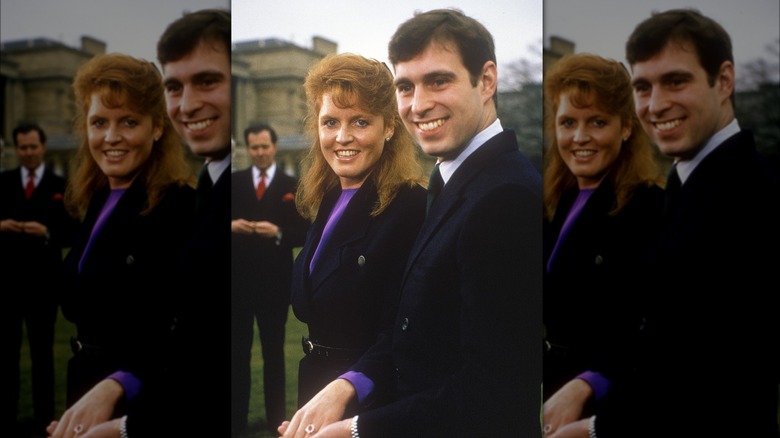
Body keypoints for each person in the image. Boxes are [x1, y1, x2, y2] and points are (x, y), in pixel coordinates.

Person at [280, 9, 542, 437]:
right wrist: (342, 389)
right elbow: (416, 335)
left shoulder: (504, 197)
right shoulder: (450, 182)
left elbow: (496, 392)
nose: (419, 104)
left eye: (439, 80)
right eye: (406, 86)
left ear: (487, 80)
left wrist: (358, 426)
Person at [547, 9, 780, 438]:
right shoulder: (688, 182)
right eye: (643, 87)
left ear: (724, 81)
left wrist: (597, 427)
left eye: (676, 81)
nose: (655, 105)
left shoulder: (751, 196)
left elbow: (724, 373)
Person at [46, 9, 232, 438]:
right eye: (99, 123)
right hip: (85, 386)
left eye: (128, 122)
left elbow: (180, 328)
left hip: (144, 394)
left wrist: (122, 387)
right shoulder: (93, 201)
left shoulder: (180, 205)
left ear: (156, 130)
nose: (111, 137)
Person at [291, 53, 426, 411]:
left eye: (360, 121)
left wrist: (348, 388)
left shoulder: (412, 206)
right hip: (315, 387)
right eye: (330, 122)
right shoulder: (329, 196)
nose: (342, 137)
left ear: (390, 127)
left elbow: (407, 330)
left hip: (369, 399)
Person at [540, 53, 664, 430]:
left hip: (612, 404)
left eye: (597, 122)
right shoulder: (550, 204)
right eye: (568, 123)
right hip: (552, 396)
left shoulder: (651, 208)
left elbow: (655, 330)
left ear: (626, 127)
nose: (579, 137)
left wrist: (590, 383)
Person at [231, 122, 308, 435]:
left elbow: (305, 232)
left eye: (265, 147)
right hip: (237, 284)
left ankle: (277, 421)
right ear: (247, 149)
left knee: (273, 353)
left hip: (275, 284)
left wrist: (277, 233)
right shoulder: (234, 183)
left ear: (274, 147)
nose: (260, 153)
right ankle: (236, 421)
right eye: (254, 148)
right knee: (237, 354)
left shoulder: (292, 184)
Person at [1, 123, 75, 437]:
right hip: (7, 284)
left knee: (42, 354)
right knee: (6, 354)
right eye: (23, 148)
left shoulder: (60, 185)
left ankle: (44, 421)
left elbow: (72, 232)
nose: (28, 153)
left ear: (43, 146)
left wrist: (45, 232)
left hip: (43, 285)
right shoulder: (2, 182)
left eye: (33, 147)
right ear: (16, 149)